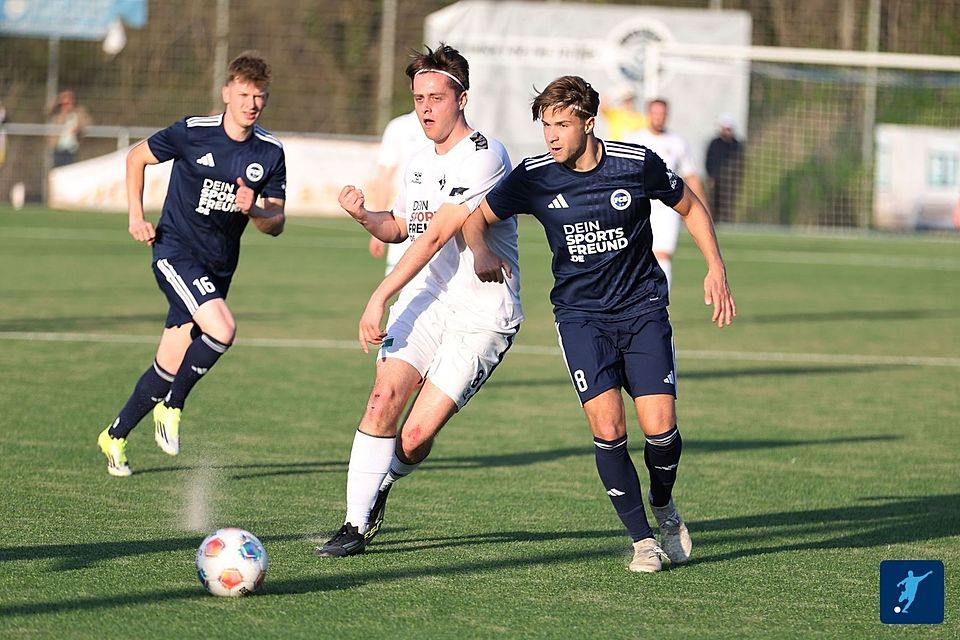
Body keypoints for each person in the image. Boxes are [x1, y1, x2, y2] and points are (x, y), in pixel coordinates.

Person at [470, 75, 735, 573]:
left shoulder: (636, 165)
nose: (550, 135)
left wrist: (715, 267)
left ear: (589, 123)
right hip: (580, 319)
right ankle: (642, 541)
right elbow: (474, 219)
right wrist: (481, 249)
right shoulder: (533, 175)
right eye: (545, 124)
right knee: (609, 428)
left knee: (662, 432)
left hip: (642, 310)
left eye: (561, 124)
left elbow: (691, 206)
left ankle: (663, 505)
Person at [315, 43, 522, 557]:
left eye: (435, 96)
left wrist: (378, 296)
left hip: (483, 311)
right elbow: (406, 228)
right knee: (382, 398)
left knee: (412, 438)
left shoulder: (487, 154)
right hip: (428, 294)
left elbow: (437, 236)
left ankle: (383, 483)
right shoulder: (416, 163)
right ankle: (353, 525)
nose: (425, 107)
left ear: (462, 98)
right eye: (417, 98)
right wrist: (366, 216)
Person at [96, 51, 286, 476]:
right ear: (226, 93)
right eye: (243, 94)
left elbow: (276, 224)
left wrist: (254, 208)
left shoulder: (270, 152)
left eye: (259, 96)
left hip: (219, 268)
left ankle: (115, 435)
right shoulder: (193, 132)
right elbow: (135, 158)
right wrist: (134, 215)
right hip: (175, 252)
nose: (250, 104)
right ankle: (173, 406)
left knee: (168, 364)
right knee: (223, 329)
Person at [628, 98, 706, 290]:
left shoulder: (678, 142)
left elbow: (691, 175)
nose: (658, 118)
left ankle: (662, 304)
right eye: (655, 113)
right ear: (648, 114)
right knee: (635, 255)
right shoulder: (634, 140)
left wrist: (702, 207)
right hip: (638, 206)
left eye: (662, 114)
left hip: (667, 208)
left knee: (663, 255)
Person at [365, 110, 431, 274]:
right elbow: (384, 179)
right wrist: (379, 228)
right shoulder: (399, 127)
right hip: (407, 221)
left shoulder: (465, 125)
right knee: (403, 285)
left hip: (445, 220)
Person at [705, 114, 743, 223]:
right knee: (714, 201)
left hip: (730, 180)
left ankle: (726, 221)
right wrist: (710, 175)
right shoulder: (714, 143)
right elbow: (709, 160)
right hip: (716, 179)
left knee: (727, 202)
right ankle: (714, 221)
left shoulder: (736, 145)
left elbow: (740, 163)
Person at [48, 89, 92, 167]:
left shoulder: (78, 113)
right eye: (65, 103)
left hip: (73, 149)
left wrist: (78, 128)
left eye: (69, 102)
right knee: (59, 171)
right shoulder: (58, 115)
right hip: (59, 149)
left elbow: (88, 122)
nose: (67, 105)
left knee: (72, 171)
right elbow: (48, 111)